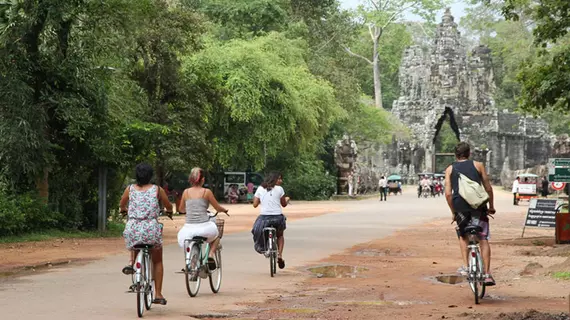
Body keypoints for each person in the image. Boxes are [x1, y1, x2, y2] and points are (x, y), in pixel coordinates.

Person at [120, 163, 173, 305]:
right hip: (150, 229)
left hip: (133, 228)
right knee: (157, 260)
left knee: (135, 244)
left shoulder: (129, 189)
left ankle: (133, 263)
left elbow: (122, 205)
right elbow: (168, 205)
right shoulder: (157, 190)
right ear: (151, 176)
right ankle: (158, 294)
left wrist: (124, 210)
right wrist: (169, 211)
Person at [444, 142, 496, 286]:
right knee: (483, 238)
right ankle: (486, 274)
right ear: (469, 153)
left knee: (463, 235)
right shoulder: (478, 165)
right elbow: (488, 188)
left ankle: (466, 267)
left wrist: (453, 212)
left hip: (460, 206)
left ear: (455, 155)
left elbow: (448, 194)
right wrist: (491, 206)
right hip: (478, 205)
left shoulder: (450, 169)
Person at [177, 167, 228, 270]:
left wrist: (189, 210)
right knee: (217, 234)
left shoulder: (186, 192)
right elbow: (217, 207)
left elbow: (181, 209)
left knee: (189, 241)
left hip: (188, 230)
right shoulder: (206, 192)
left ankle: (190, 263)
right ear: (203, 180)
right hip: (204, 228)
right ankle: (211, 255)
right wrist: (224, 210)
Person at [252, 172, 290, 269]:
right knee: (280, 235)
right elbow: (284, 204)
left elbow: (255, 204)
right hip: (278, 218)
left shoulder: (260, 188)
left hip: (264, 218)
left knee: (257, 230)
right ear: (273, 179)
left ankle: (265, 248)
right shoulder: (280, 189)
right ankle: (280, 255)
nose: (281, 181)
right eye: (279, 179)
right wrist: (287, 199)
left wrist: (262, 199)